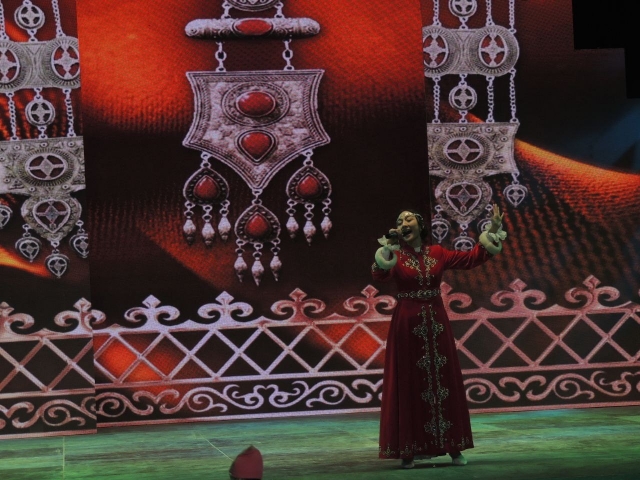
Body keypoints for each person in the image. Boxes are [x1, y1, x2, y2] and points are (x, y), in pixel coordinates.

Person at [373, 205, 505, 469]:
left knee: (443, 380)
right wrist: (386, 249)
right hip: (407, 323)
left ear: (420, 226)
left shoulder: (437, 252)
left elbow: (471, 259)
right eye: (399, 221)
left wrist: (492, 229)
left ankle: (454, 448)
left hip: (436, 321)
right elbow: (379, 273)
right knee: (409, 382)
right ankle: (408, 450)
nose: (403, 223)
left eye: (408, 219)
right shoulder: (395, 254)